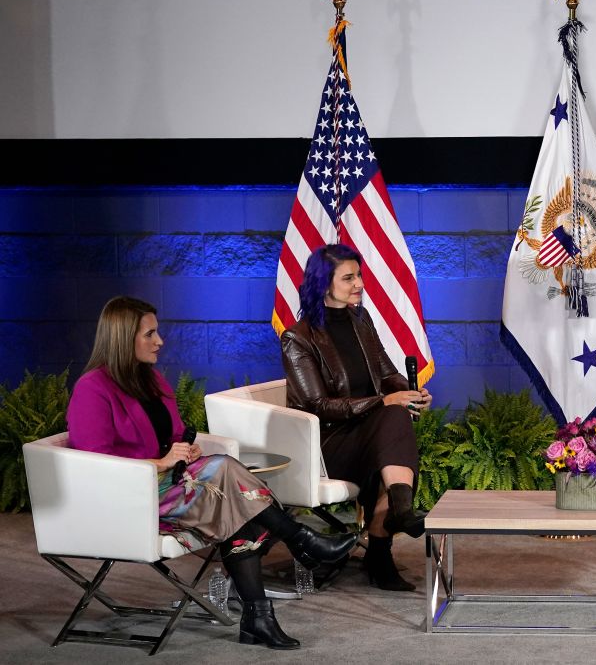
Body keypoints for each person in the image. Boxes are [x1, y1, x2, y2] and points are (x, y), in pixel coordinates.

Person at [67, 296, 359, 649]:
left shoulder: (152, 381)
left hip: (175, 487)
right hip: (131, 499)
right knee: (223, 471)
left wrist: (185, 449)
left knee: (237, 513)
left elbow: (174, 434)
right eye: (150, 334)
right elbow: (95, 465)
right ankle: (300, 542)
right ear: (122, 337)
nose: (160, 341)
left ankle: (259, 618)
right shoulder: (92, 389)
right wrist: (159, 463)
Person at [281, 244, 431, 591]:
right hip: (327, 444)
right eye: (349, 277)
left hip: (367, 433)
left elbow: (386, 373)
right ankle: (389, 534)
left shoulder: (360, 319)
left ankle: (393, 523)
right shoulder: (298, 338)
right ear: (323, 284)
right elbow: (317, 404)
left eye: (359, 275)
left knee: (394, 418)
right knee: (390, 417)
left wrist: (410, 392)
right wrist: (384, 401)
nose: (359, 284)